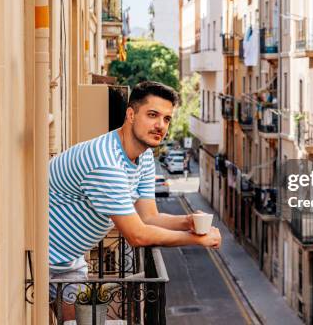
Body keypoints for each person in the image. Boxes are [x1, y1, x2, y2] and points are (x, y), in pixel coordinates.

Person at [48, 81, 221, 320]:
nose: (160, 125)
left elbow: (149, 216)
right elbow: (137, 235)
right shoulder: (106, 162)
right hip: (44, 258)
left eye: (167, 119)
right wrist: (196, 240)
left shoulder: (144, 155)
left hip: (69, 260)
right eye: (152, 115)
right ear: (131, 114)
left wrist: (188, 221)